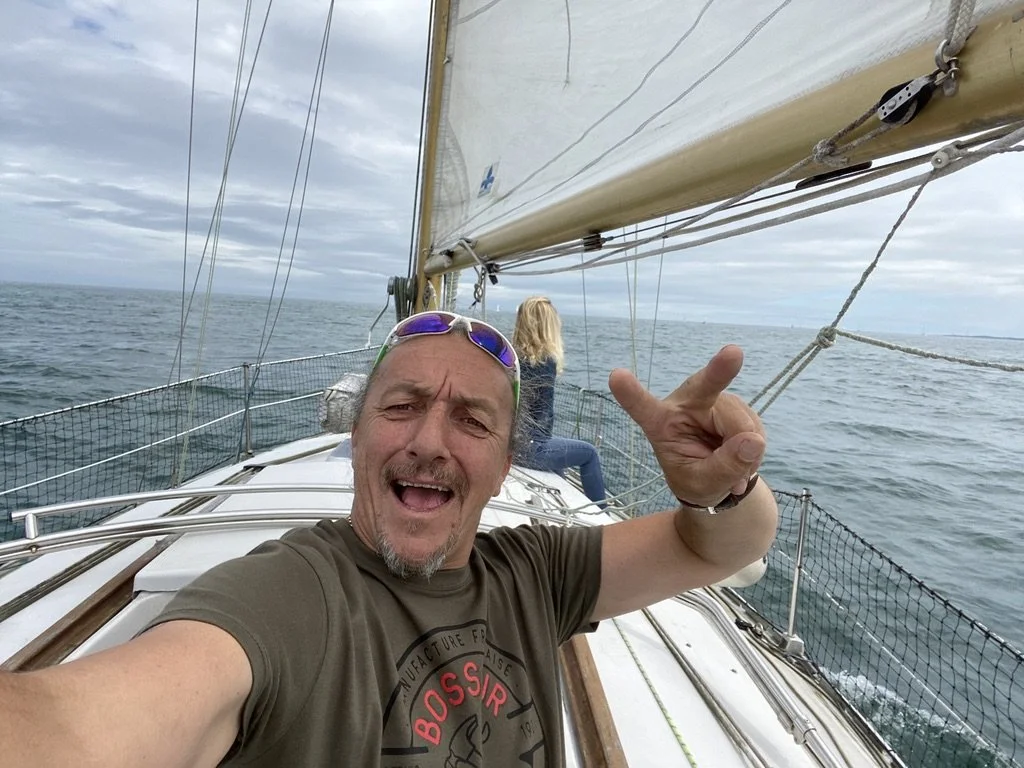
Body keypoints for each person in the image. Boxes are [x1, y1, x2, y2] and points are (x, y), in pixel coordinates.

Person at [0, 310, 777, 768]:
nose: (431, 441)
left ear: (506, 466)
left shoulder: (537, 569)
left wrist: (723, 491)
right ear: (360, 435)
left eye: (472, 419)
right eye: (402, 406)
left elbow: (722, 547)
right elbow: (74, 730)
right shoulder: (292, 595)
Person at [512, 296, 607, 506]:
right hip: (532, 449)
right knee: (589, 453)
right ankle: (603, 514)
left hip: (513, 447)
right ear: (547, 327)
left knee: (560, 469)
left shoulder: (513, 361)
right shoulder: (544, 362)